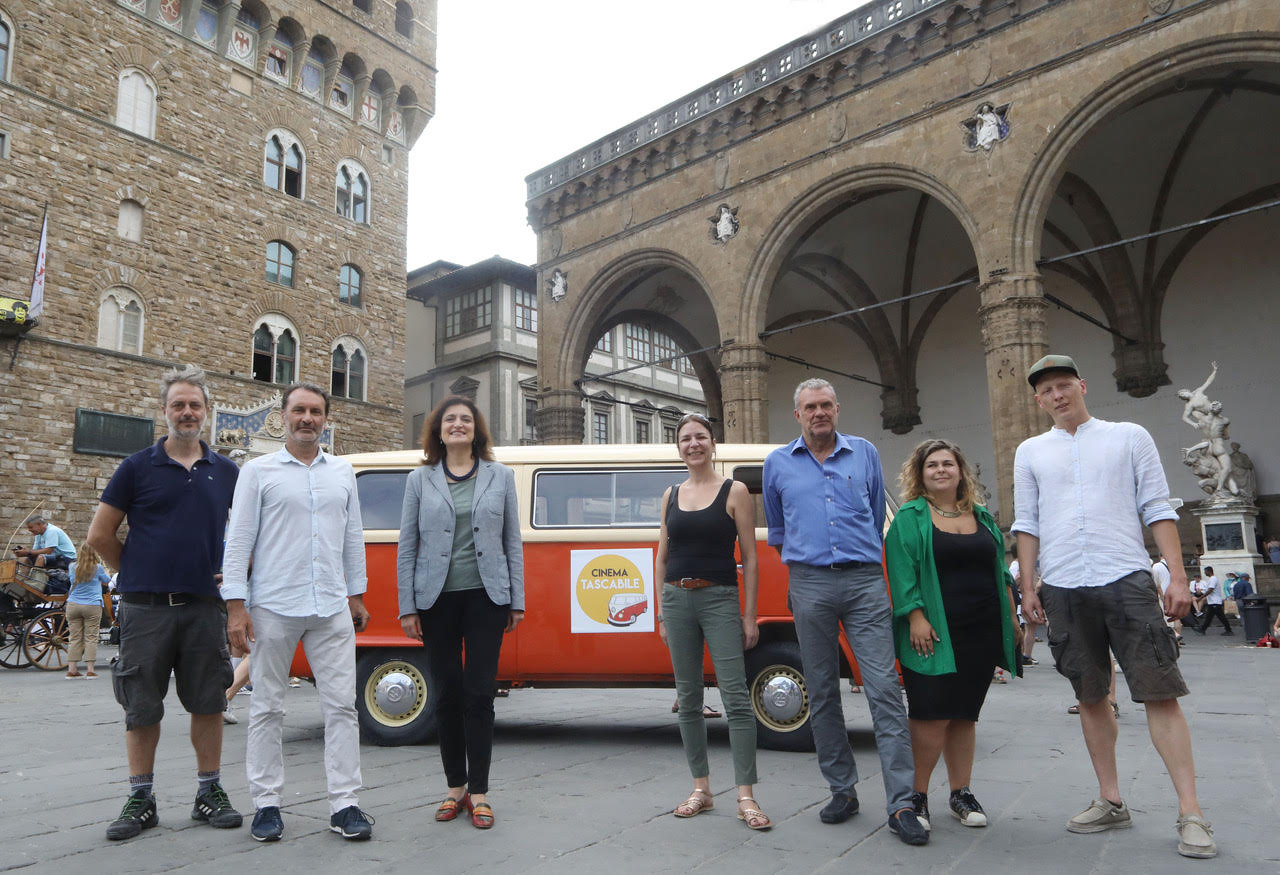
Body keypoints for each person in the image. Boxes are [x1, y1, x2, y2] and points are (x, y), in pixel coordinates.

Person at [1013, 354, 1216, 859]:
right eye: (1047, 390)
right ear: (1038, 400)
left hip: (1125, 576)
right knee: (1090, 696)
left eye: (1064, 385)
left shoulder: (1128, 436)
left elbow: (1158, 507)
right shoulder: (1030, 451)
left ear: (1082, 386)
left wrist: (1177, 576)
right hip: (1063, 583)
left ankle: (1191, 812)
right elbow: (1027, 522)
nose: (1057, 395)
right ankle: (1111, 800)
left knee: (1160, 693)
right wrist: (1029, 586)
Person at [762, 378, 926, 846]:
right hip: (809, 582)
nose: (819, 413)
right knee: (820, 690)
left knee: (884, 689)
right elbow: (778, 528)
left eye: (826, 405)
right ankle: (841, 789)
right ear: (798, 414)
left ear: (838, 409)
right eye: (810, 407)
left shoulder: (864, 453)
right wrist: (806, 566)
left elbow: (875, 517)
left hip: (863, 581)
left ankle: (902, 804)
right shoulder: (777, 463)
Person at [87, 365, 242, 841]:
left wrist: (238, 577)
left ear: (207, 411)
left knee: (208, 702)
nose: (187, 412)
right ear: (164, 410)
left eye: (195, 404)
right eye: (178, 404)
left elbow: (247, 534)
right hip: (145, 607)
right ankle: (141, 798)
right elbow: (99, 534)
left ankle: (209, 791)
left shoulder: (227, 472)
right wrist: (136, 572)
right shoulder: (136, 467)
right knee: (141, 704)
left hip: (203, 606)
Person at [222, 383, 373, 843]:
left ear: (325, 418)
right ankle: (266, 804)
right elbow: (239, 539)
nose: (307, 418)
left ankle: (345, 804)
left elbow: (352, 536)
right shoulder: (257, 471)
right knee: (267, 706)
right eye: (299, 410)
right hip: (274, 604)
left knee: (342, 706)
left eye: (316, 411)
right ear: (284, 416)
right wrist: (235, 606)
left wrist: (356, 594)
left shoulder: (342, 472)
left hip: (330, 604)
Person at [397, 395, 525, 831]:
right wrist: (407, 607)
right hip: (436, 600)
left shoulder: (499, 476)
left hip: (487, 598)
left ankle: (481, 792)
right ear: (438, 430)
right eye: (449, 419)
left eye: (465, 419)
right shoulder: (420, 479)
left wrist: (516, 599)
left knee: (480, 693)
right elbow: (407, 545)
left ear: (476, 429)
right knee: (447, 693)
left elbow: (511, 541)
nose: (457, 424)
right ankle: (455, 788)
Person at [884, 439, 1020, 833]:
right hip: (932, 631)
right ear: (920, 474)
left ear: (961, 471)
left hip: (980, 627)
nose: (941, 470)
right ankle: (916, 796)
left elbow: (999, 570)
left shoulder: (981, 515)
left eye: (948, 463)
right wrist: (915, 617)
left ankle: (961, 793)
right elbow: (901, 569)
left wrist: (1010, 618)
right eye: (932, 465)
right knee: (930, 714)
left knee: (965, 714)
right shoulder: (910, 516)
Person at [655, 413, 770, 831]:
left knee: (736, 697)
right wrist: (661, 610)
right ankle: (700, 789)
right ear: (679, 448)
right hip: (676, 599)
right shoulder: (671, 494)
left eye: (700, 437)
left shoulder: (734, 490)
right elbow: (662, 555)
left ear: (712, 443)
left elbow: (750, 558)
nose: (693, 444)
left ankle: (746, 795)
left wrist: (749, 616)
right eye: (686, 438)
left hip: (720, 598)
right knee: (687, 699)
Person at [65, 541, 111, 678]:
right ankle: (90, 670)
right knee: (91, 637)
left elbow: (71, 581)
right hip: (92, 604)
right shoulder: (97, 567)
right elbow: (107, 580)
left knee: (74, 638)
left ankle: (72, 670)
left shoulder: (72, 566)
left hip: (73, 604)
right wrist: (106, 571)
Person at [1151, 556, 1182, 642]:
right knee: (1176, 617)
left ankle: (1175, 637)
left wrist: (1162, 597)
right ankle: (1179, 641)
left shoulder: (1156, 566)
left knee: (1166, 618)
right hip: (1175, 593)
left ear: (1160, 556)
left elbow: (1157, 585)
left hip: (1164, 594)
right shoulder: (1174, 565)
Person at [1194, 566, 1231, 635]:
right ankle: (1203, 629)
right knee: (1209, 617)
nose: (1204, 573)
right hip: (1213, 602)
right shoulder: (1212, 579)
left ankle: (1229, 630)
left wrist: (1200, 598)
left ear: (1209, 571)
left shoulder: (1213, 579)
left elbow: (1210, 590)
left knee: (1221, 617)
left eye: (1205, 571)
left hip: (1215, 602)